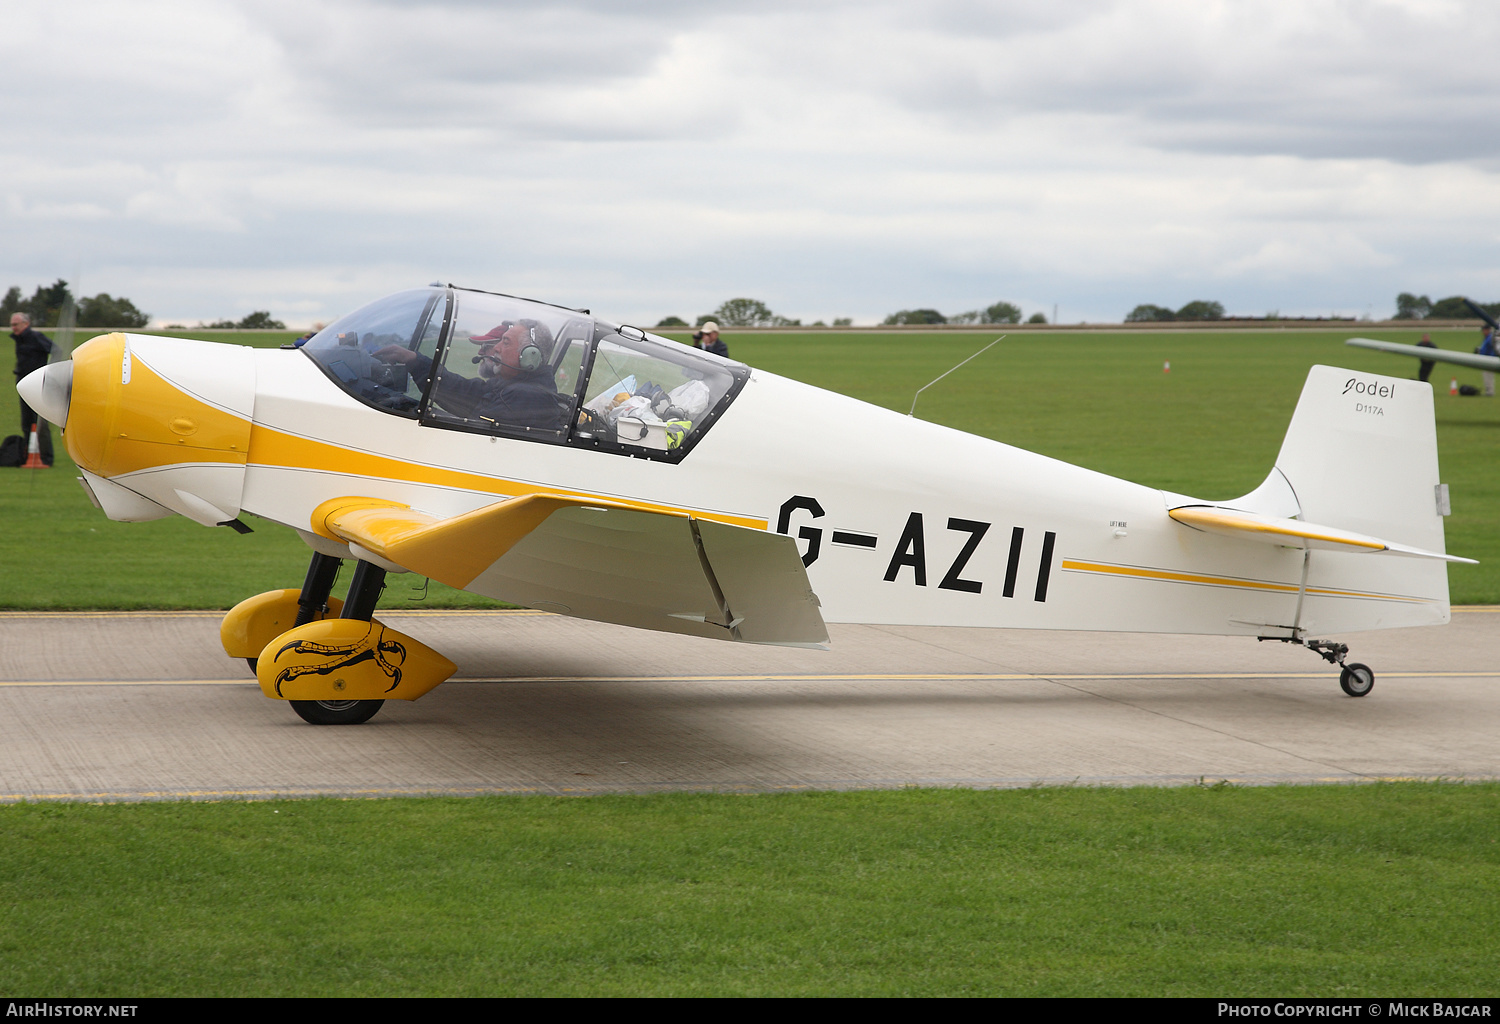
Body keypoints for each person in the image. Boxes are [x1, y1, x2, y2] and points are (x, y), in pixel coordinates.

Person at [375, 319, 565, 430]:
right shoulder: (509, 385)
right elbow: (462, 391)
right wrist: (415, 361)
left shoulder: (526, 396)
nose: (496, 348)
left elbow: (472, 431)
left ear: (530, 356)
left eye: (505, 342)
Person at [10, 312, 54, 465]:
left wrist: (47, 373)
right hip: (22, 383)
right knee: (26, 421)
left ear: (25, 324)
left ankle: (46, 458)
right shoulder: (19, 339)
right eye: (12, 325)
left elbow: (55, 350)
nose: (13, 328)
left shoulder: (35, 337)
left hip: (37, 384)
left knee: (40, 421)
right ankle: (29, 454)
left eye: (16, 324)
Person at [1479, 325, 1497, 397]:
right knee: (1487, 375)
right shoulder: (1487, 338)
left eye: (1484, 330)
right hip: (1485, 359)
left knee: (1488, 375)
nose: (1483, 332)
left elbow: (1494, 349)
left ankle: (1490, 392)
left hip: (1489, 360)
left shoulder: (1490, 338)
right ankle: (1488, 391)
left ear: (1488, 330)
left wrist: (1491, 357)